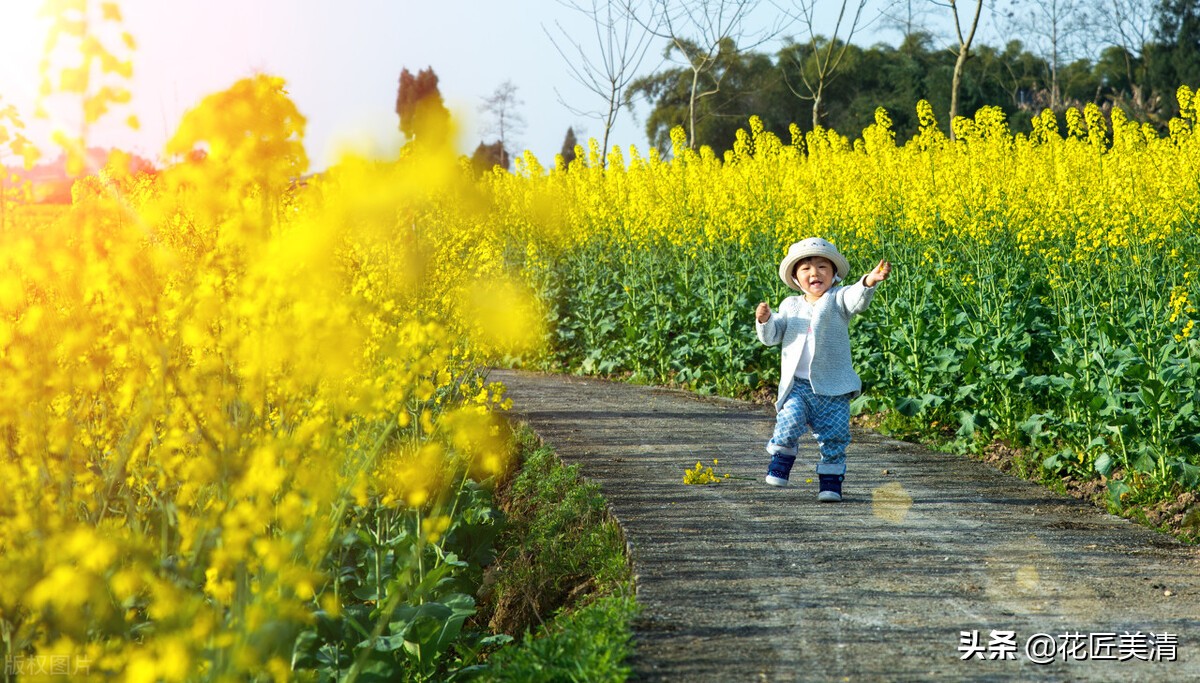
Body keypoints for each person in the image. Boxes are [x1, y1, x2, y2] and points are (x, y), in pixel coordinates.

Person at [754, 237, 891, 502]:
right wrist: (765, 320)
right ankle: (781, 463)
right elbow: (772, 336)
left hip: (833, 387)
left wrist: (868, 282)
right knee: (788, 422)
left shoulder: (838, 299)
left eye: (822, 267)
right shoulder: (789, 305)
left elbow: (856, 299)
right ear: (795, 277)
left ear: (835, 274)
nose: (814, 273)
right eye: (805, 268)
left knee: (835, 436)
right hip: (798, 386)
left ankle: (830, 485)